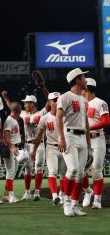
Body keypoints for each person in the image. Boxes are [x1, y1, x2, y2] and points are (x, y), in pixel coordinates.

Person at [56, 68, 91, 217]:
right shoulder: (65, 97)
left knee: (81, 173)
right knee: (73, 169)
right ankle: (67, 203)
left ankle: (75, 205)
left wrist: (88, 143)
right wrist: (61, 137)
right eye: (83, 77)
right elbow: (58, 117)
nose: (86, 79)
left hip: (82, 136)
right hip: (69, 135)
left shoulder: (83, 99)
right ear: (77, 80)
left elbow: (86, 122)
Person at [32, 92, 66, 205]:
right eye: (54, 100)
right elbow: (38, 136)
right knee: (52, 171)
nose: (56, 102)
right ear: (49, 102)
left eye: (58, 99)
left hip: (65, 147)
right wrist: (34, 151)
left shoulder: (65, 115)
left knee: (64, 173)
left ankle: (62, 194)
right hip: (51, 148)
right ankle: (55, 196)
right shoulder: (44, 118)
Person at [81, 78, 110, 209]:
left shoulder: (100, 102)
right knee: (80, 170)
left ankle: (97, 201)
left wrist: (89, 128)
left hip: (97, 139)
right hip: (82, 139)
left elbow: (106, 121)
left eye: (82, 88)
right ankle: (88, 192)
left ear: (86, 89)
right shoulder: (80, 103)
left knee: (96, 170)